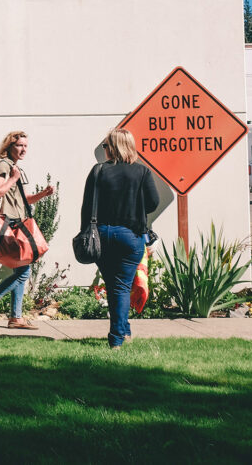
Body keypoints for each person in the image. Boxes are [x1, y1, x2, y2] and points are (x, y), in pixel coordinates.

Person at [80, 128, 159, 349]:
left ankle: (121, 333)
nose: (104, 150)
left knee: (116, 285)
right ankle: (118, 336)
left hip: (103, 234)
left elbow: (87, 207)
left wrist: (85, 233)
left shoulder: (98, 171)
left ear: (113, 147)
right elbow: (153, 203)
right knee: (121, 286)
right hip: (130, 235)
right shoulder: (142, 172)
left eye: (106, 146)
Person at [0, 131, 54, 329]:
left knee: (23, 268)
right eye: (19, 145)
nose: (23, 149)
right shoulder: (3, 166)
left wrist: (43, 194)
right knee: (24, 271)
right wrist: (13, 178)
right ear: (9, 146)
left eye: (26, 146)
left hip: (19, 222)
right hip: (9, 224)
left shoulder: (14, 168)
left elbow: (24, 198)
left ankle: (16, 318)